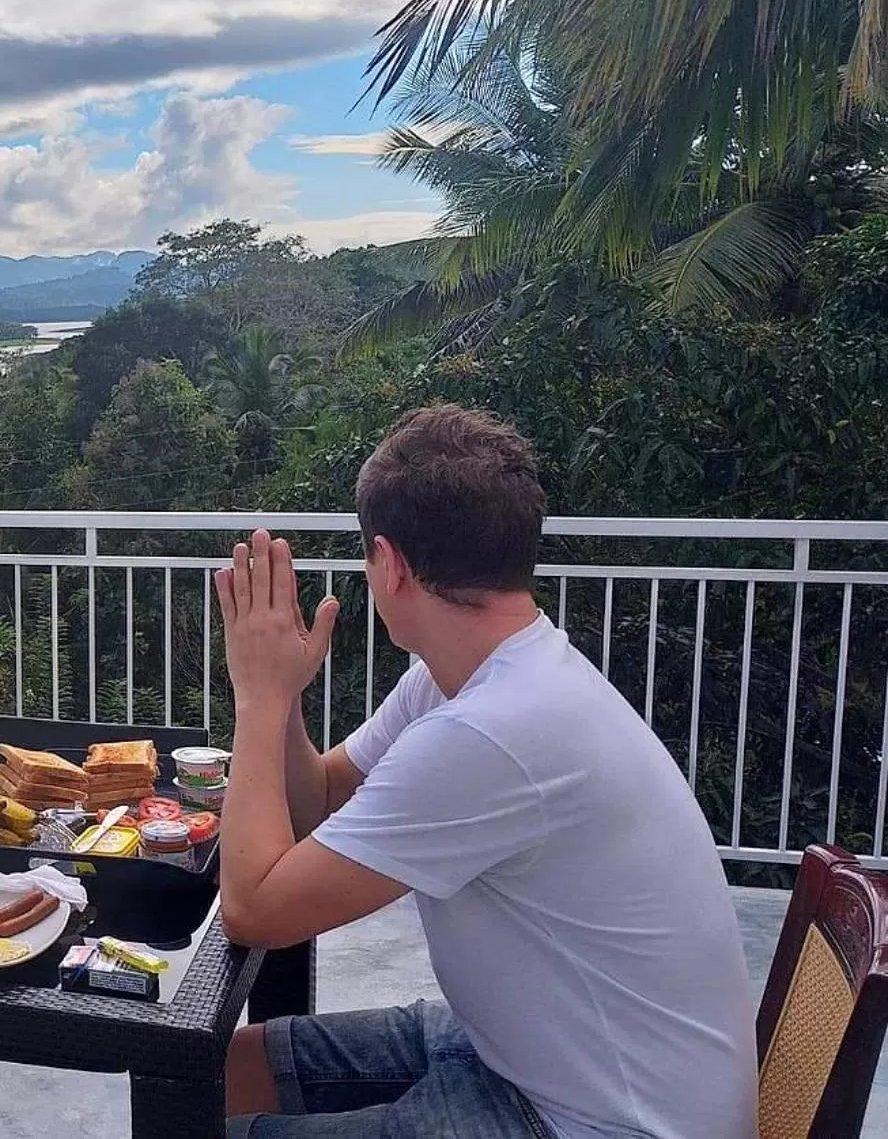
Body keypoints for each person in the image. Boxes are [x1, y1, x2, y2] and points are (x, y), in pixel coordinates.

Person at [214, 405, 755, 1138]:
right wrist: (287, 701)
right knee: (213, 1075)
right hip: (535, 1056)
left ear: (391, 563)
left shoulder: (492, 730)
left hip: (605, 1119)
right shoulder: (469, 678)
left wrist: (256, 695)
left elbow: (256, 912)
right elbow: (325, 799)